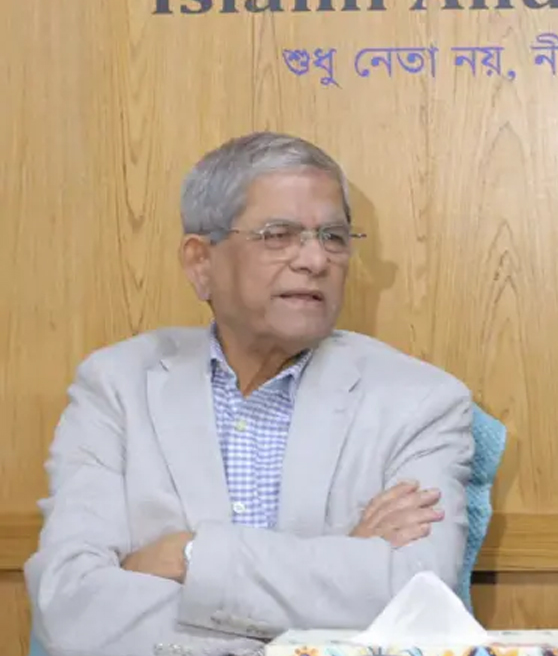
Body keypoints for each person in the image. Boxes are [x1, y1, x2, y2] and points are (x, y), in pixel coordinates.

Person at [25, 132, 476, 656]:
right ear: (201, 262)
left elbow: (418, 600)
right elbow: (71, 607)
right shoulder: (116, 388)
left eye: (333, 236)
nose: (316, 259)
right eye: (278, 235)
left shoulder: (421, 401)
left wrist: (191, 557)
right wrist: (333, 580)